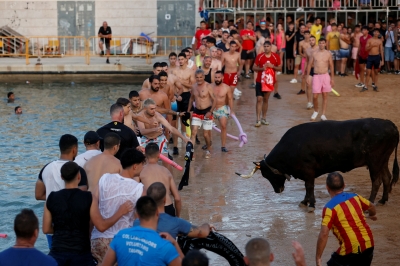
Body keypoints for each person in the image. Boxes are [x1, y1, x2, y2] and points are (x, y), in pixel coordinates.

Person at [91, 148, 146, 264]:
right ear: (135, 166)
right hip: (122, 242)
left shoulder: (104, 179)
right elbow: (140, 220)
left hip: (97, 240)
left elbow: (93, 205)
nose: (143, 167)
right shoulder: (139, 189)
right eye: (142, 164)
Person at [102, 196, 184, 266]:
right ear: (157, 213)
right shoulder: (165, 246)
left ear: (137, 214)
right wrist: (175, 243)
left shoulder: (120, 236)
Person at [316, 172, 376, 266]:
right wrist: (372, 215)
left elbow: (324, 234)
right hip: (369, 244)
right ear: (344, 185)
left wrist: (318, 257)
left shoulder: (329, 208)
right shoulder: (356, 197)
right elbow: (371, 206)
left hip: (350, 250)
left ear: (327, 187)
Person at [42, 162, 95, 265]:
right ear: (79, 176)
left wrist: (60, 228)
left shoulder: (52, 198)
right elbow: (92, 225)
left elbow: (46, 229)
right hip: (82, 252)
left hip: (57, 252)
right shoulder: (88, 197)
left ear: (62, 177)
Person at [135, 182, 213, 239]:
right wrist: (207, 225)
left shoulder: (136, 222)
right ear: (165, 200)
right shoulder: (176, 222)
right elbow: (202, 233)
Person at [34, 134, 88, 201]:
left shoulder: (46, 168)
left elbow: (38, 195)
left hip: (49, 210)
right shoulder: (78, 170)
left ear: (60, 148)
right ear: (74, 149)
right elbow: (82, 197)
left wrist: (53, 199)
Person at [136, 98, 190, 163]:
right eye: (151, 109)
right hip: (146, 138)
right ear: (145, 108)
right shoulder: (140, 116)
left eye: (155, 108)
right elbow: (142, 131)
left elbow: (171, 128)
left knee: (166, 160)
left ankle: (168, 173)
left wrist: (184, 138)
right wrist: (154, 129)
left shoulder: (157, 115)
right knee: (143, 161)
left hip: (159, 138)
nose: (154, 111)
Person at [138, 143, 182, 217]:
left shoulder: (140, 171)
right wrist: (177, 217)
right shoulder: (166, 171)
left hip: (149, 208)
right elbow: (177, 198)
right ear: (159, 155)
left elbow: (134, 193)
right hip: (168, 208)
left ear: (145, 155)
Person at [188, 69, 216, 159]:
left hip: (207, 111)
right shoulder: (193, 87)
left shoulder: (208, 86)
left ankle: (209, 148)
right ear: (195, 77)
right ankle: (191, 152)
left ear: (204, 77)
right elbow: (191, 99)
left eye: (201, 77)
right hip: (197, 111)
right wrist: (189, 111)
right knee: (193, 132)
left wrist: (210, 111)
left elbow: (214, 100)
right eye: (197, 77)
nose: (199, 79)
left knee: (205, 134)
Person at [253, 41, 282, 127]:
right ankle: (258, 119)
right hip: (259, 81)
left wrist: (273, 67)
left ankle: (264, 118)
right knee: (259, 99)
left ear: (271, 47)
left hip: (269, 82)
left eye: (267, 46)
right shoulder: (260, 56)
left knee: (266, 99)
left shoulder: (275, 57)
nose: (266, 48)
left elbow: (280, 68)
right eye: (265, 46)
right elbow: (253, 67)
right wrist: (262, 68)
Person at [307, 38, 334, 121]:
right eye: (320, 43)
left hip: (325, 75)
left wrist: (332, 78)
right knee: (315, 96)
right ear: (318, 44)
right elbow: (309, 64)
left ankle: (323, 114)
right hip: (316, 76)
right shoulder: (314, 53)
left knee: (325, 95)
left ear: (325, 44)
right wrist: (308, 76)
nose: (322, 44)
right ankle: (316, 110)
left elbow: (331, 66)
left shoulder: (328, 54)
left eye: (323, 43)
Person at [173, 53, 195, 137]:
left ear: (186, 60)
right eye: (179, 59)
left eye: (182, 59)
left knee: (189, 116)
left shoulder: (190, 71)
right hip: (177, 95)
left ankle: (193, 136)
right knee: (177, 117)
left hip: (186, 94)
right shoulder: (174, 71)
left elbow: (193, 86)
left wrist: (182, 82)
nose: (181, 61)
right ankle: (180, 136)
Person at [212, 71, 234, 152]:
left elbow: (230, 99)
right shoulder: (210, 86)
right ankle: (208, 143)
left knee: (223, 126)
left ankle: (223, 146)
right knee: (207, 126)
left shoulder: (226, 88)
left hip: (222, 108)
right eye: (216, 77)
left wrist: (231, 111)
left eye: (219, 77)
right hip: (212, 109)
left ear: (222, 78)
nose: (217, 79)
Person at [302, 35, 319, 110]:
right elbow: (306, 61)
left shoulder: (319, 48)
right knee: (308, 84)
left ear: (315, 41)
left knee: (316, 87)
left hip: (318, 70)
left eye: (313, 40)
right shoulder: (307, 50)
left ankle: (314, 101)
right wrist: (304, 71)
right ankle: (309, 102)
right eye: (310, 40)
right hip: (310, 69)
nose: (311, 41)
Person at [298, 31, 311, 95]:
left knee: (312, 73)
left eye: (308, 34)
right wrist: (303, 55)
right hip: (304, 58)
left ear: (309, 35)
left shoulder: (312, 42)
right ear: (304, 35)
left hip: (311, 59)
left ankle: (311, 88)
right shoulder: (301, 43)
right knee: (303, 74)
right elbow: (300, 51)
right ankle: (302, 89)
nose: (306, 35)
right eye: (305, 34)